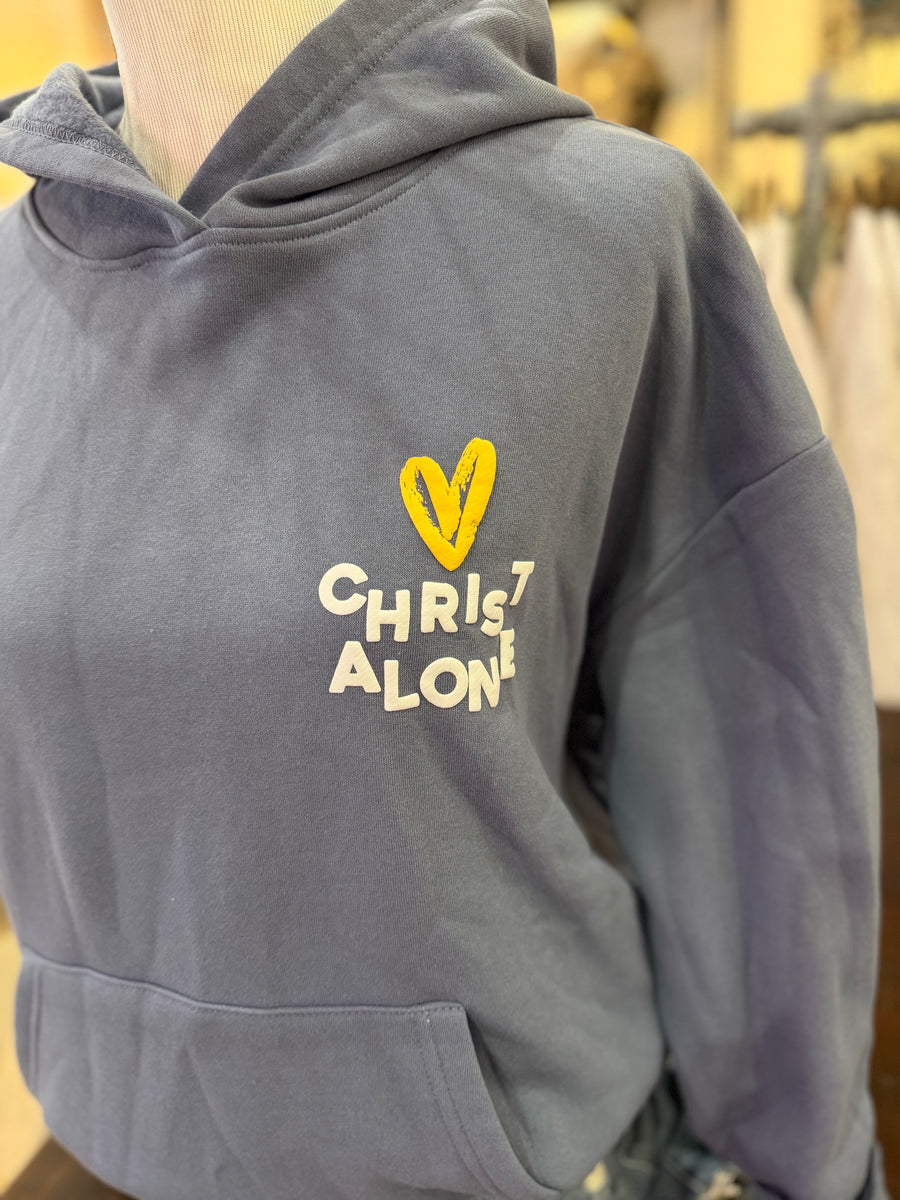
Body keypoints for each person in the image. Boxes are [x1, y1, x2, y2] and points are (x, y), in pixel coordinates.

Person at [0, 1, 889, 1198]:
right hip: (108, 1147)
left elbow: (752, 779)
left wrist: (807, 1166)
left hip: (502, 1166)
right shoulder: (14, 297)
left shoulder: (614, 235)